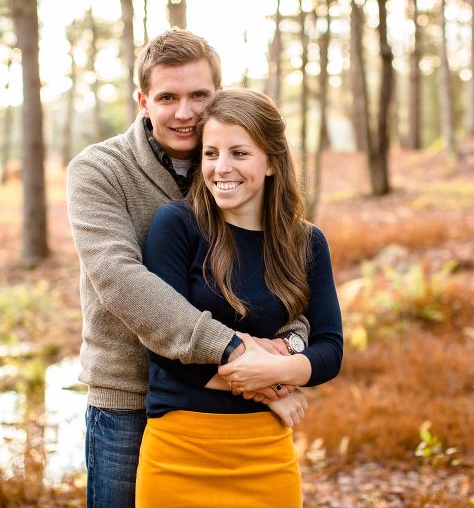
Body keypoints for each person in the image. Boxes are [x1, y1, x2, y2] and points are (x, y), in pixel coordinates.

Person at [66, 31, 308, 508]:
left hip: (231, 408)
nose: (185, 112)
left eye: (199, 95)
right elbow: (120, 278)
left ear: (218, 92)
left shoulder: (236, 166)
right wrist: (241, 355)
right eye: (167, 97)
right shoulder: (99, 170)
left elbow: (284, 274)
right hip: (128, 397)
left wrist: (284, 357)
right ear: (143, 100)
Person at [136, 88, 343, 507]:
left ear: (271, 162)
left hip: (266, 453)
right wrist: (275, 387)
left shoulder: (306, 242)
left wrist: (276, 370)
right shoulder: (177, 225)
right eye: (210, 153)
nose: (221, 168)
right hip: (179, 449)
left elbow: (330, 348)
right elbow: (164, 346)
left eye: (239, 153)